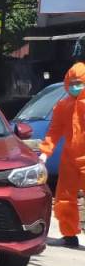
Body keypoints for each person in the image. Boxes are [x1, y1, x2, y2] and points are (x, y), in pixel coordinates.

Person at [41, 62, 85, 248]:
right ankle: (69, 235)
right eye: (72, 82)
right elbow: (54, 131)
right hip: (69, 158)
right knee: (65, 197)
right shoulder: (63, 105)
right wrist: (45, 152)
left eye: (79, 82)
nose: (75, 86)